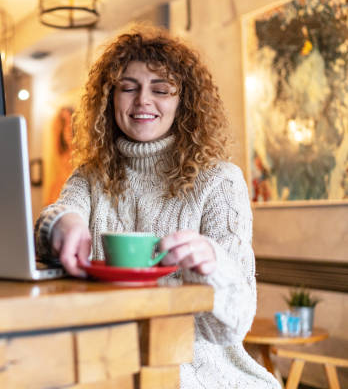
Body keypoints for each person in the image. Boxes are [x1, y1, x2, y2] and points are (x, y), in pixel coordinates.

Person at [35, 27, 280, 389]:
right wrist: (62, 223)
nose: (142, 102)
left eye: (161, 89)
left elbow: (232, 326)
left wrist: (213, 263)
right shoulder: (90, 176)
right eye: (128, 87)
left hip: (199, 373)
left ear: (184, 101)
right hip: (105, 365)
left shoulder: (220, 181)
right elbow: (55, 216)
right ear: (109, 98)